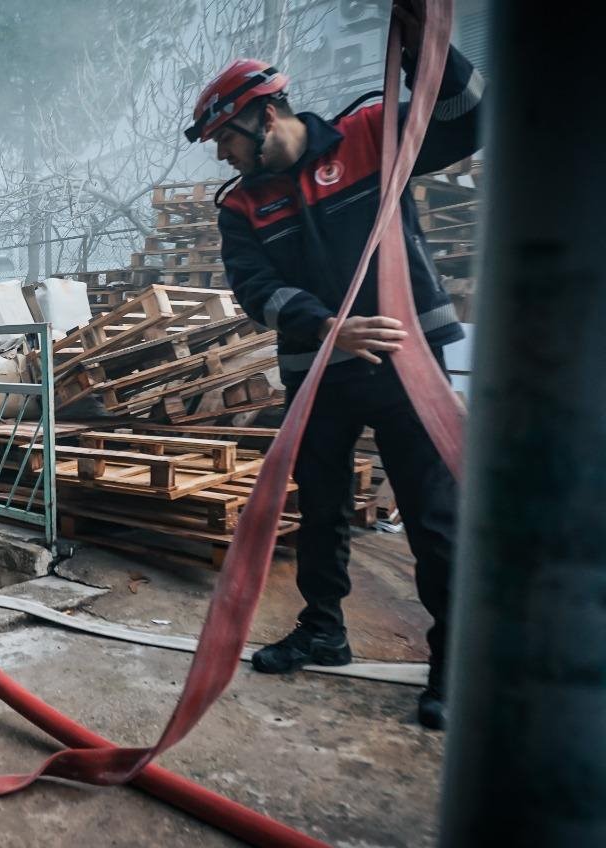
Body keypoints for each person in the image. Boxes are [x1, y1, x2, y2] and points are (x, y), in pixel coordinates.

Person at [188, 0, 480, 729]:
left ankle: (454, 663)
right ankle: (323, 630)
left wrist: (428, 47)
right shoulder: (241, 207)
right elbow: (254, 289)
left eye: (225, 140)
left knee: (433, 517)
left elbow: (467, 121)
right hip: (318, 370)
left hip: (407, 362)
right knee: (320, 508)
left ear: (265, 116)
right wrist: (328, 327)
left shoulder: (371, 133)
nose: (222, 157)